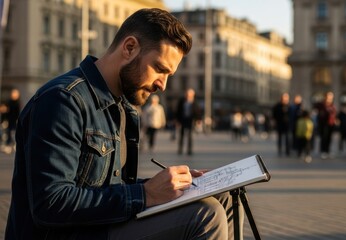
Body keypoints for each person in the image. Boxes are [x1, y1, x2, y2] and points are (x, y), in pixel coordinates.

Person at [6, 8, 242, 240]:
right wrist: (145, 194)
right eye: (160, 69)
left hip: (100, 225)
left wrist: (167, 187)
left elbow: (111, 189)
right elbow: (51, 203)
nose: (163, 85)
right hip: (67, 233)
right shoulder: (63, 101)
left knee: (225, 200)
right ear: (129, 48)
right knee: (205, 214)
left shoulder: (123, 107)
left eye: (169, 75)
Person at [176, 88, 201, 155]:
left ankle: (189, 150)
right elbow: (178, 111)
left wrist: (198, 120)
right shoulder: (182, 101)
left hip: (191, 120)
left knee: (190, 136)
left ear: (193, 95)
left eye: (189, 94)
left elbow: (198, 112)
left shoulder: (195, 102)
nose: (188, 95)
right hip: (183, 119)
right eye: (187, 94)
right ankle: (180, 149)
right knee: (181, 135)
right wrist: (177, 120)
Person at [316, 91, 337, 159]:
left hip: (331, 124)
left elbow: (334, 114)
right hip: (323, 124)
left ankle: (328, 151)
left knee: (329, 138)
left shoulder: (332, 105)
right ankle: (323, 151)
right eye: (329, 96)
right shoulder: (322, 105)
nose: (330, 98)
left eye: (331, 96)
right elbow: (319, 114)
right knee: (324, 138)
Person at [2, 88, 21, 154]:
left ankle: (14, 146)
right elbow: (6, 112)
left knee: (14, 134)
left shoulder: (18, 103)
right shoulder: (9, 102)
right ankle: (9, 147)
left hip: (15, 121)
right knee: (8, 134)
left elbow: (18, 113)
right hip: (9, 121)